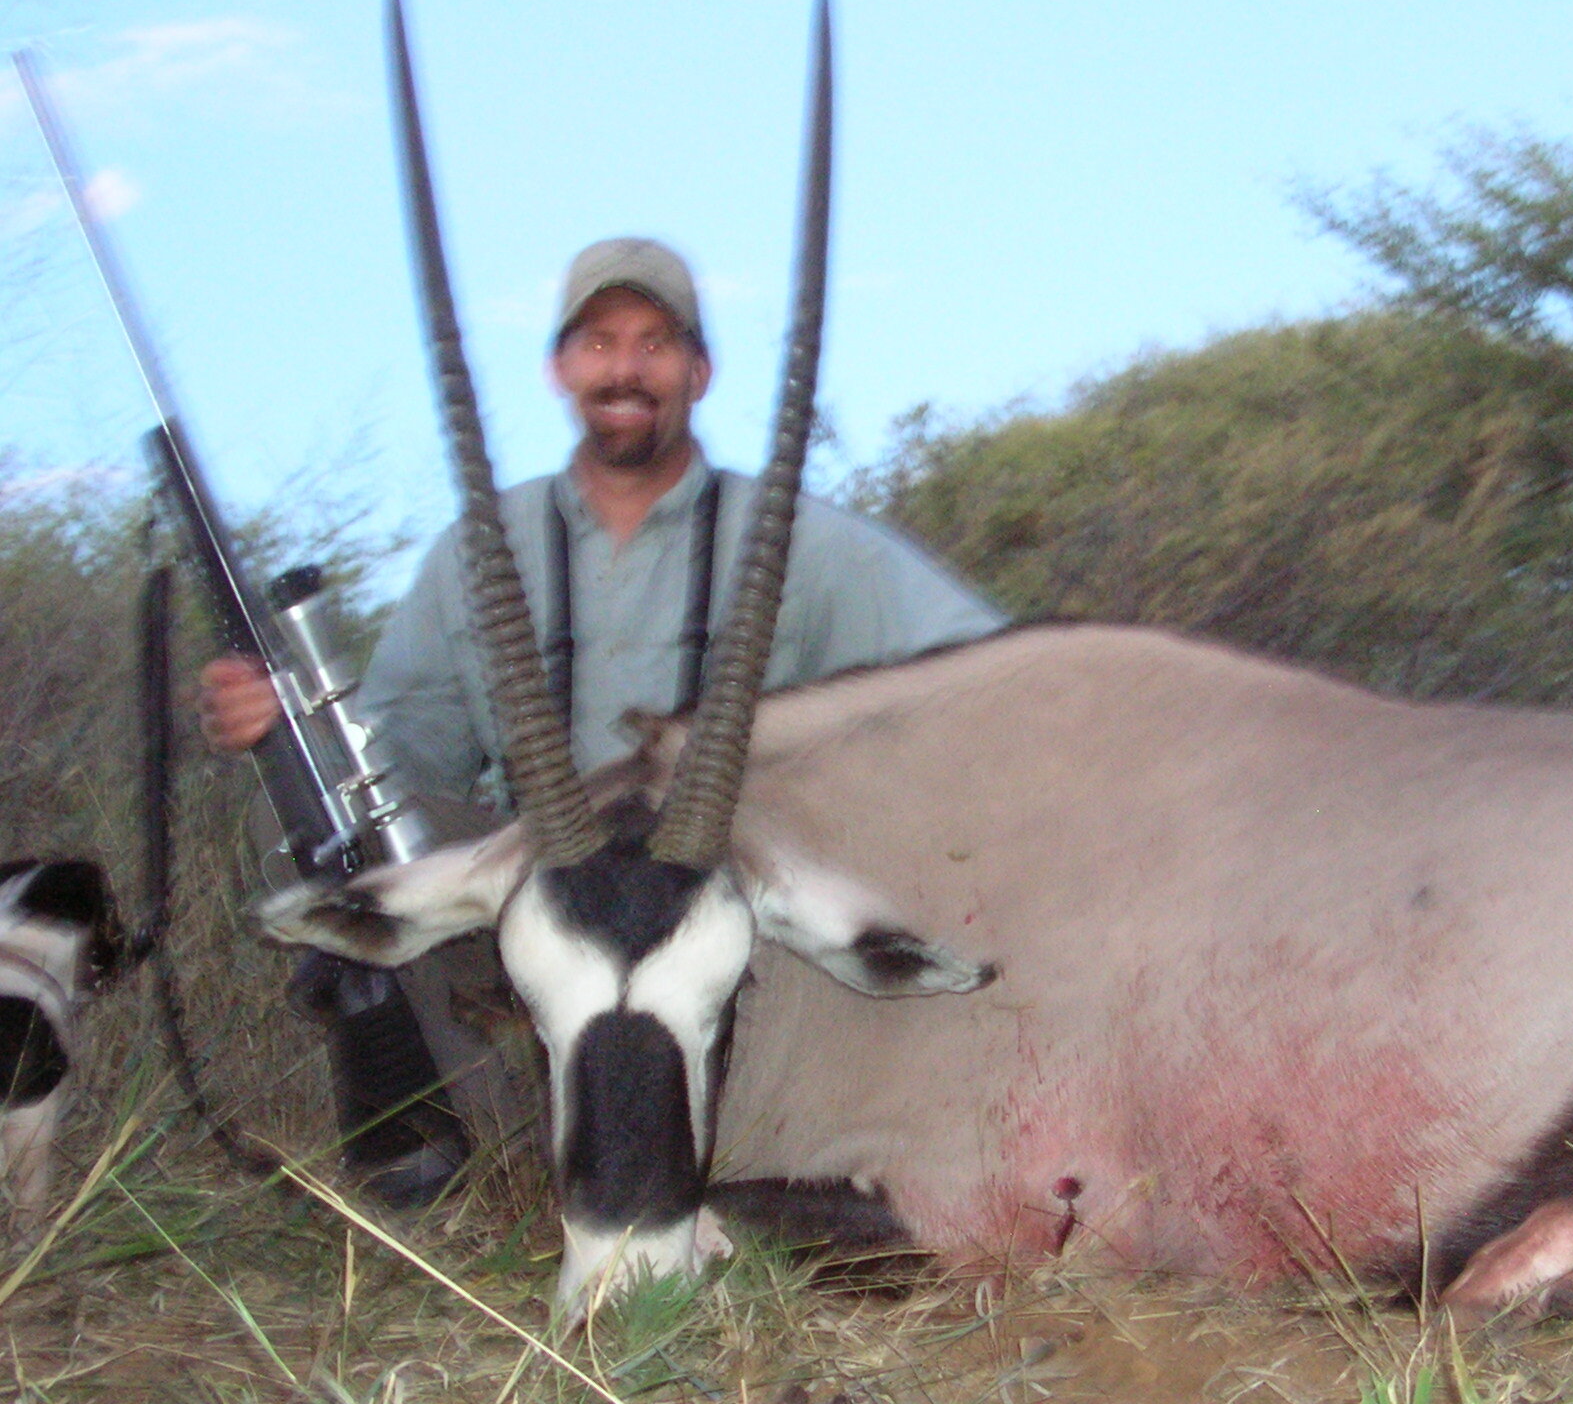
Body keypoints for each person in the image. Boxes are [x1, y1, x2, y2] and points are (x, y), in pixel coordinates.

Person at [199, 236, 1003, 1199]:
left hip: (732, 924)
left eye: (656, 343)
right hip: (545, 916)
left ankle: (760, 1134)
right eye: (599, 343)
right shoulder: (480, 550)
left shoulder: (808, 543)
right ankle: (445, 1131)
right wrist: (281, 729)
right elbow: (399, 749)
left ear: (698, 371)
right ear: (561, 369)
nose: (626, 368)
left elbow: (984, 674)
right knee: (314, 827)